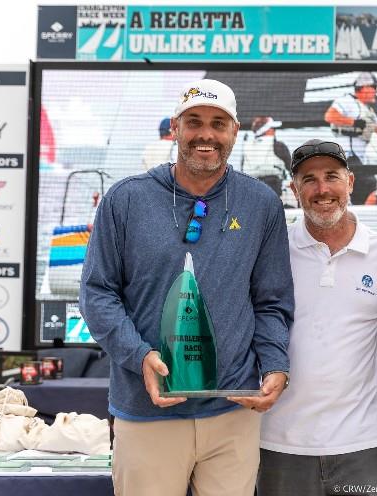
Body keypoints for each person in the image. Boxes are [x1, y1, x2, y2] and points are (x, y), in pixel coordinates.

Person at [80, 79, 293, 496]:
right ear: (176, 128)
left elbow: (272, 302)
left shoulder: (261, 204)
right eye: (194, 121)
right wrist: (140, 356)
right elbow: (97, 294)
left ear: (234, 131)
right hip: (148, 412)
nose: (206, 134)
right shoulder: (125, 200)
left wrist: (275, 365)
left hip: (232, 411)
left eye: (219, 123)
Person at [258, 139, 377, 496]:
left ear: (350, 182)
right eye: (309, 179)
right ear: (294, 190)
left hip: (361, 445)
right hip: (278, 444)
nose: (322, 189)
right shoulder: (273, 249)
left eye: (332, 176)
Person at [324, 72, 377, 204]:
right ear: (364, 88)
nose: (376, 91)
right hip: (348, 157)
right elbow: (329, 116)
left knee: (365, 191)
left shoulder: (368, 109)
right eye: (374, 88)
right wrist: (353, 122)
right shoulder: (346, 100)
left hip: (360, 160)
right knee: (370, 184)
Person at [241, 115, 291, 198]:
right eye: (273, 129)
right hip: (272, 189)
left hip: (250, 192)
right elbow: (292, 170)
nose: (274, 131)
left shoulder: (246, 148)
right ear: (267, 130)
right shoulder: (278, 146)